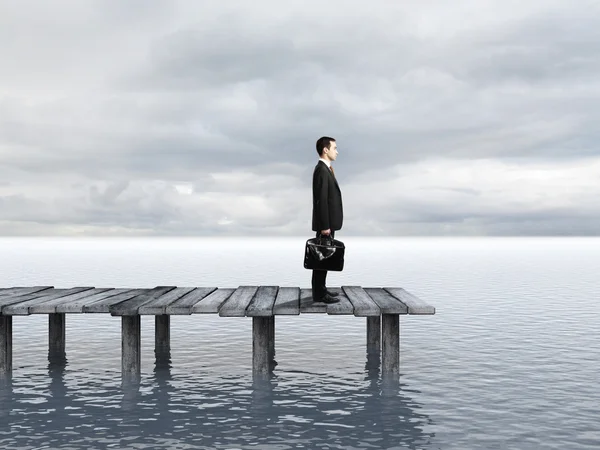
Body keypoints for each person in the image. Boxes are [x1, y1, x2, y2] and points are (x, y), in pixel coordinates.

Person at [311, 136, 343, 304]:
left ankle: (321, 289)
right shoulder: (322, 170)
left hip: (329, 222)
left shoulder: (326, 169)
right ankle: (319, 294)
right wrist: (324, 226)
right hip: (326, 224)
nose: (337, 151)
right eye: (334, 148)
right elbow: (320, 200)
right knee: (321, 257)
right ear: (326, 149)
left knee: (324, 257)